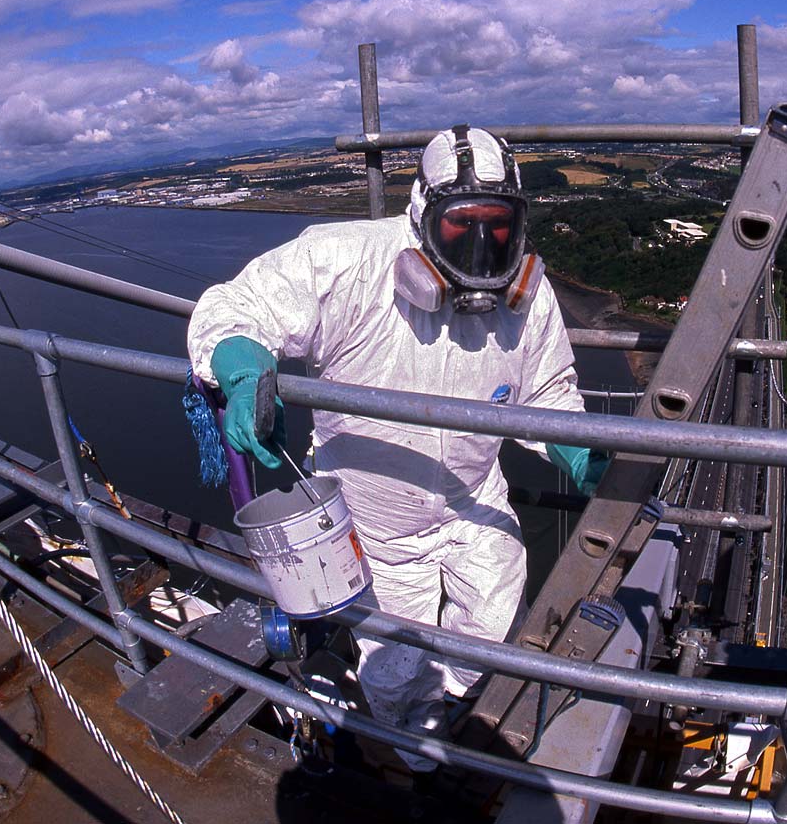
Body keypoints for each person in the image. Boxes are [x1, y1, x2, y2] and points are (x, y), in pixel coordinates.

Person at [188, 125, 607, 774]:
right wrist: (244, 372)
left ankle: (449, 705)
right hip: (375, 523)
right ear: (420, 216)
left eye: (498, 227)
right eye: (459, 226)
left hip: (475, 503)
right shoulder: (347, 262)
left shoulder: (529, 301)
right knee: (393, 663)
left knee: (493, 621)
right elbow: (240, 305)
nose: (479, 248)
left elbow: (545, 387)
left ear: (519, 223)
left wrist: (579, 450)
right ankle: (407, 742)